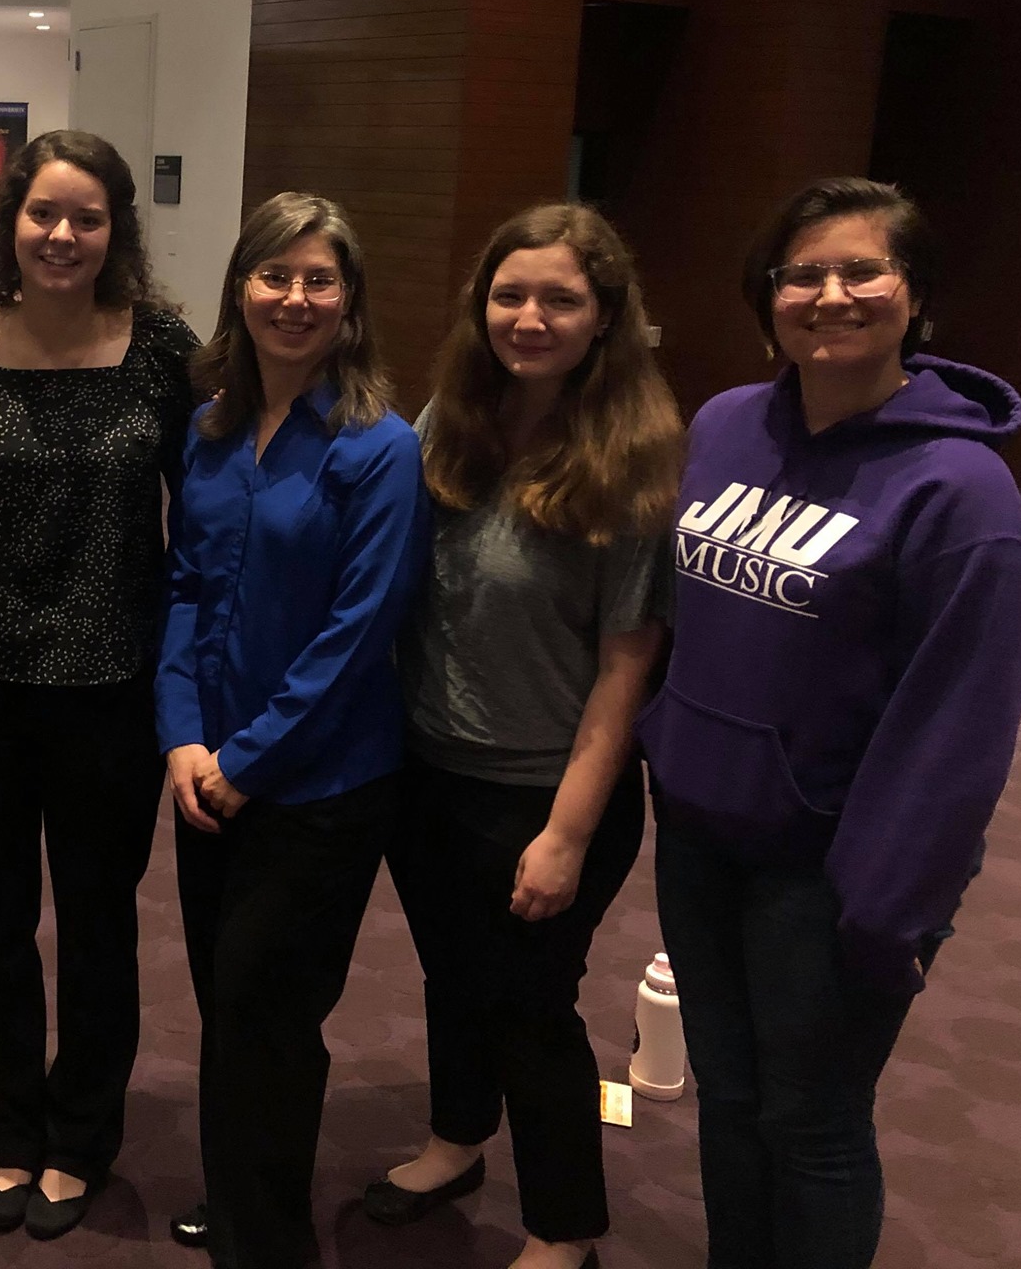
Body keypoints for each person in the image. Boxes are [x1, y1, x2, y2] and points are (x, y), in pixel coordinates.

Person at [640, 178, 1021, 1269]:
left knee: (809, 1125)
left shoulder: (959, 496)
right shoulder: (726, 424)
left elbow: (957, 734)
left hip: (826, 878)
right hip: (695, 837)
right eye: (800, 273)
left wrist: (885, 911)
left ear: (914, 298)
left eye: (859, 270)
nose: (828, 294)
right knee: (727, 1102)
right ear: (766, 295)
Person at [364, 203, 683, 1269]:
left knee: (530, 1009)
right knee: (450, 976)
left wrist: (565, 832)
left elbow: (626, 666)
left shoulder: (630, 459)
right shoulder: (445, 422)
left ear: (604, 317)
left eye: (559, 299)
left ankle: (563, 1229)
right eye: (510, 294)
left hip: (543, 788)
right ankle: (454, 1139)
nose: (529, 317)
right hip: (426, 770)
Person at [0, 130, 199, 1239]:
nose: (61, 237)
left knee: (94, 922)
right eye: (41, 215)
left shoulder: (164, 349)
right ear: (7, 227)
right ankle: (9, 1131)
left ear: (115, 231)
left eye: (86, 218)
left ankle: (81, 1136)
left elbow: (210, 516)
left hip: (110, 687)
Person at [158, 191, 429, 1269]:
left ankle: (267, 1244)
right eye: (274, 275)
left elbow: (356, 635)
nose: (294, 297)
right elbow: (182, 587)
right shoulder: (213, 425)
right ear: (240, 288)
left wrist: (245, 759)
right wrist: (182, 736)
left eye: (319, 279)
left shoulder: (379, 447)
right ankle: (237, 1203)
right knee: (223, 1007)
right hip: (205, 771)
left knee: (266, 1014)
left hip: (317, 788)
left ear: (349, 302)